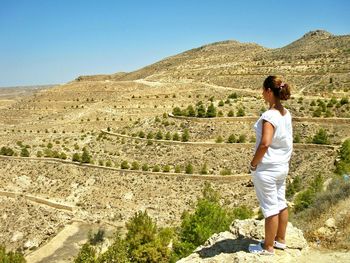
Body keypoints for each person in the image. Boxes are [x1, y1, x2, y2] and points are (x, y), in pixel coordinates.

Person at [248, 75, 293, 255]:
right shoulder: (285, 113)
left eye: (263, 90)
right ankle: (280, 240)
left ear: (268, 91)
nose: (261, 93)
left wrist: (253, 163)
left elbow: (265, 143)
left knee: (270, 208)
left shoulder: (269, 116)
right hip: (282, 166)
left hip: (267, 169)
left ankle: (267, 247)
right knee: (280, 202)